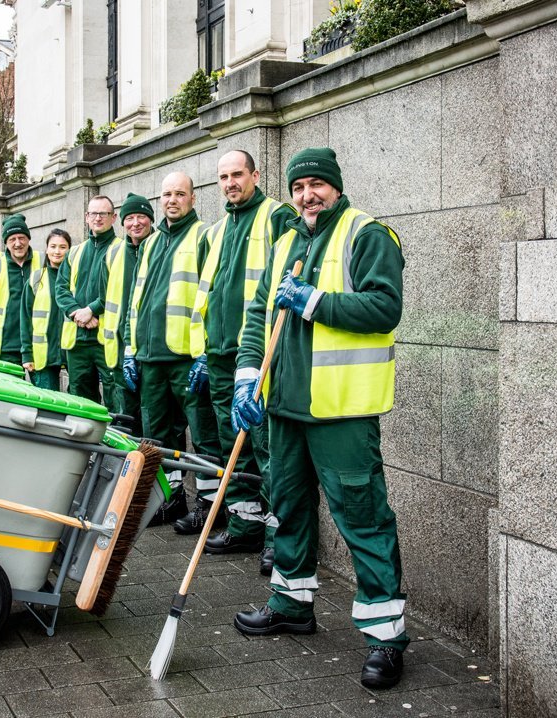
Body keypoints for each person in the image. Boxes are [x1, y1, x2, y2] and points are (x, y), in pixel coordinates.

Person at [231, 147, 408, 690]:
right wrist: (245, 376)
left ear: (334, 186)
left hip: (341, 412)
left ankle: (385, 638)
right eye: (299, 186)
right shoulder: (287, 242)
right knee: (287, 508)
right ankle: (291, 603)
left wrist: (315, 300)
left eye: (316, 185)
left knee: (362, 518)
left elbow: (385, 307)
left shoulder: (368, 234)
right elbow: (259, 313)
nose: (307, 196)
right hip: (282, 409)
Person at [192, 150, 297, 576]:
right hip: (219, 354)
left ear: (255, 174)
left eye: (238, 174)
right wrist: (202, 348)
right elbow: (208, 291)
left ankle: (276, 539)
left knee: (266, 447)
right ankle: (244, 523)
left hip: (254, 352)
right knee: (230, 442)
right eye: (223, 177)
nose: (230, 182)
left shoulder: (276, 216)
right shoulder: (215, 231)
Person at [123, 171, 220, 534]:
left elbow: (211, 295)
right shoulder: (150, 243)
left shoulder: (203, 237)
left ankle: (209, 506)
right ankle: (173, 498)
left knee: (202, 433)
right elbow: (138, 300)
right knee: (159, 436)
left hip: (185, 357)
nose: (172, 200)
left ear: (193, 198)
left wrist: (204, 352)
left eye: (180, 193)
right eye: (166, 194)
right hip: (150, 358)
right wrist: (132, 349)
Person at [105, 192, 188, 524]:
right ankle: (149, 492)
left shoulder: (159, 246)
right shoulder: (117, 254)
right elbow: (122, 303)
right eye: (129, 218)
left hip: (169, 351)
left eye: (141, 216)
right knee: (143, 426)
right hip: (132, 351)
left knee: (171, 426)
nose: (135, 222)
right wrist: (127, 349)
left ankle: (174, 494)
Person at [54, 196, 121, 411]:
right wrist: (77, 313)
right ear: (86, 217)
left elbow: (118, 290)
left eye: (104, 213)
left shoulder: (121, 249)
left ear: (114, 217)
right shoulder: (75, 252)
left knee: (115, 398)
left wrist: (92, 310)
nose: (98, 218)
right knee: (81, 402)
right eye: (94, 213)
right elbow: (61, 289)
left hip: (107, 341)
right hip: (77, 341)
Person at [0, 214, 43, 365]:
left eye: (21, 238)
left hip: (38, 342)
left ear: (28, 239)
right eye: (12, 239)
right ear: (5, 243)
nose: (18, 243)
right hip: (7, 345)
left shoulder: (43, 261)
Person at [21, 229, 72, 390]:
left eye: (63, 247)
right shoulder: (36, 278)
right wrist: (27, 354)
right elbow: (26, 318)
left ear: (70, 249)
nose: (57, 251)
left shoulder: (76, 275)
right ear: (47, 249)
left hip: (72, 351)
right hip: (43, 353)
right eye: (53, 246)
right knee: (48, 404)